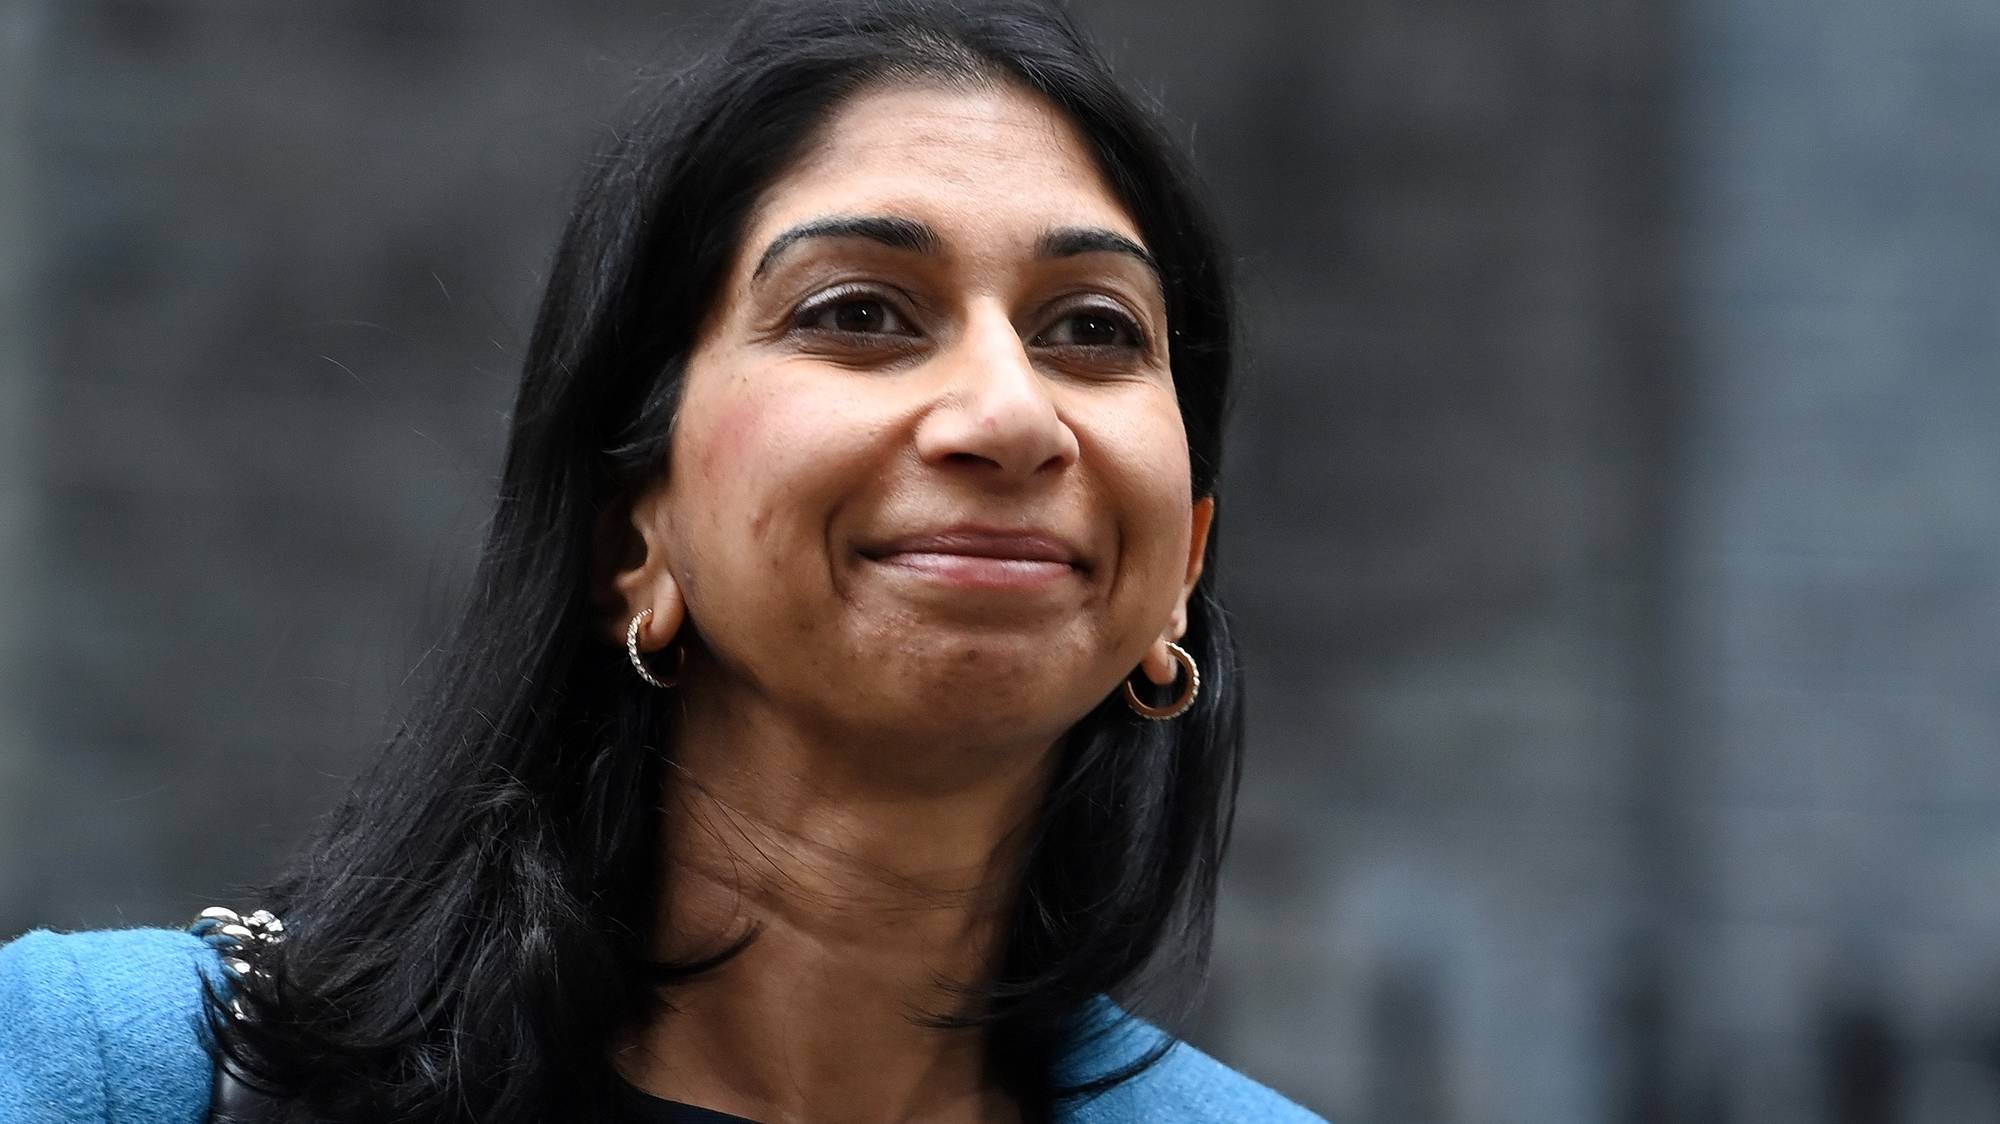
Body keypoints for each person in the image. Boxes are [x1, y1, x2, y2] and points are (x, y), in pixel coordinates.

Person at [0, 1, 1324, 1121]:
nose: (1010, 416)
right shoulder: (112, 1072)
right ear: (633, 528)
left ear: (1186, 557)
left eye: (1093, 330)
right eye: (859, 312)